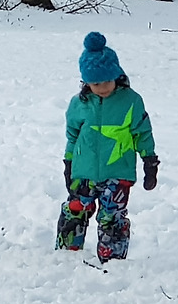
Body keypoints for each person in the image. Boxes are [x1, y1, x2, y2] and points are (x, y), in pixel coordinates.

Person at [58, 31, 160, 261]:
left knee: (112, 216)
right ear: (86, 82)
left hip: (118, 171)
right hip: (83, 171)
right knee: (75, 209)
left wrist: (149, 161)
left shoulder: (131, 101)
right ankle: (66, 255)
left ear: (116, 75)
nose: (102, 87)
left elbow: (142, 132)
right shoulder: (79, 104)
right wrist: (68, 162)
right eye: (95, 83)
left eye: (106, 81)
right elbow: (72, 136)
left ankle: (112, 260)